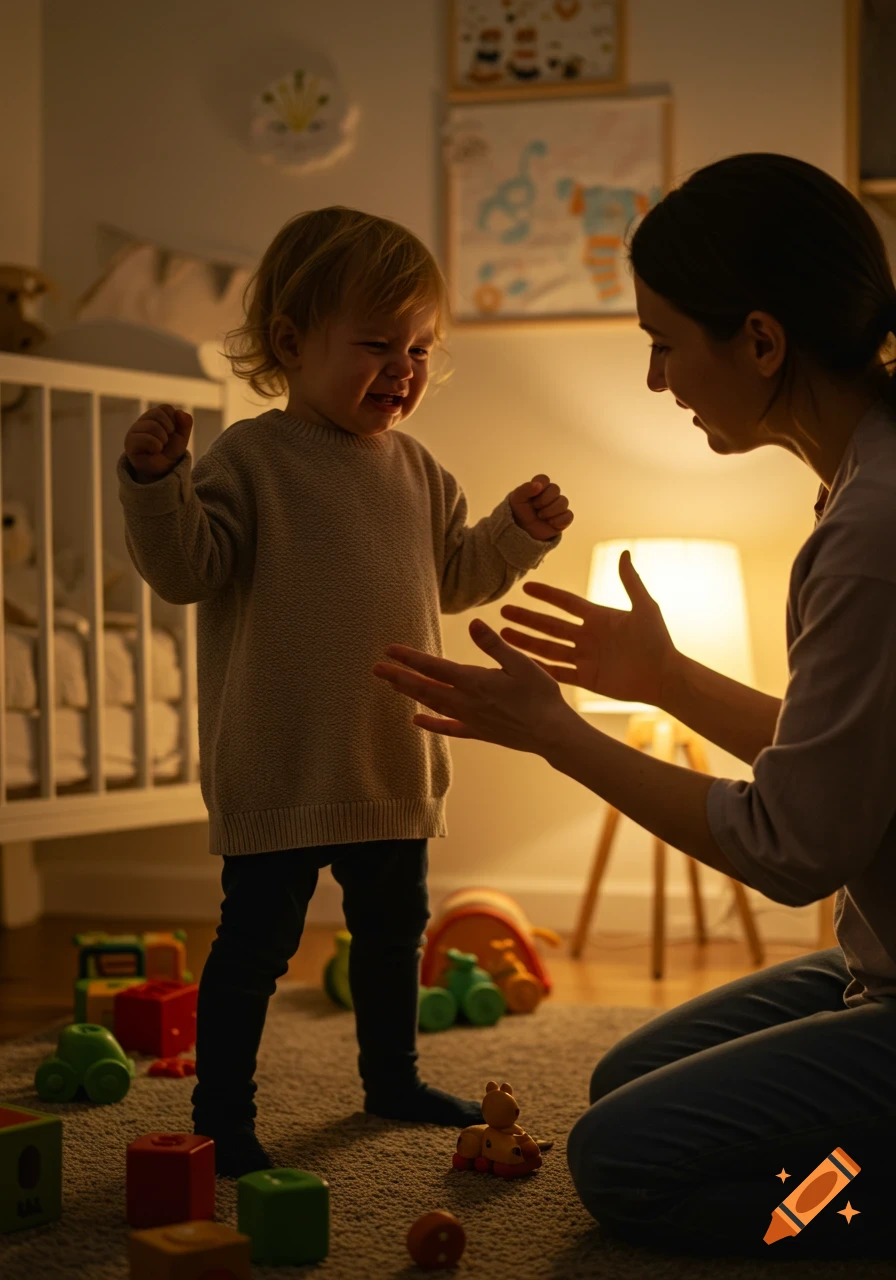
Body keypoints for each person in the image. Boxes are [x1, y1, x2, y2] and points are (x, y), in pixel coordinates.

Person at [373, 153, 896, 1259]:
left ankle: (855, 1198)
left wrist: (556, 734)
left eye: (663, 342)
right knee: (624, 1079)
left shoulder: (870, 531)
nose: (657, 380)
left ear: (761, 341)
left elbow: (793, 846)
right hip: (876, 958)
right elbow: (844, 768)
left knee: (622, 1161)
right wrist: (667, 679)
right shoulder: (863, 476)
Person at [117, 206, 574, 1177]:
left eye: (419, 348)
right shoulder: (251, 459)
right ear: (290, 343)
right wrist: (157, 484)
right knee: (254, 950)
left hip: (390, 757)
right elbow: (188, 569)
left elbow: (456, 574)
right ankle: (223, 1113)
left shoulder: (419, 470)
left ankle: (391, 1078)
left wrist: (516, 531)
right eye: (376, 344)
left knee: (392, 936)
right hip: (280, 759)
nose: (404, 368)